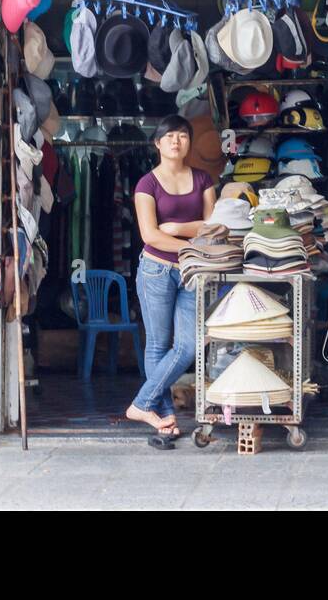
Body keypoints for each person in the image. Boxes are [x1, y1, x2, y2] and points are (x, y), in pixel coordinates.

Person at [128, 115, 216, 438]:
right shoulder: (146, 184)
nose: (176, 141)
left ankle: (142, 402)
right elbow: (150, 235)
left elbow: (213, 226)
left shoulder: (203, 179)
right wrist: (189, 246)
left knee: (189, 345)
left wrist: (178, 228)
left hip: (193, 273)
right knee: (157, 344)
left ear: (189, 142)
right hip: (156, 270)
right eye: (169, 137)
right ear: (157, 143)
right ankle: (164, 418)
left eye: (182, 136)